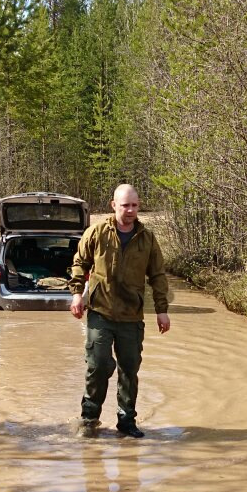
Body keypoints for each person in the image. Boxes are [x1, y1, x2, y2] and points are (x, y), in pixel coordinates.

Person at [69, 184, 170, 438]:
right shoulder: (97, 233)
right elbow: (80, 263)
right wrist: (76, 295)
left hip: (131, 316)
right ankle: (89, 419)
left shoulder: (147, 239)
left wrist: (162, 310)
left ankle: (126, 422)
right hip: (100, 313)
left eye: (135, 205)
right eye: (125, 205)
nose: (131, 210)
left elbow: (157, 275)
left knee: (129, 369)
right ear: (113, 205)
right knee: (98, 365)